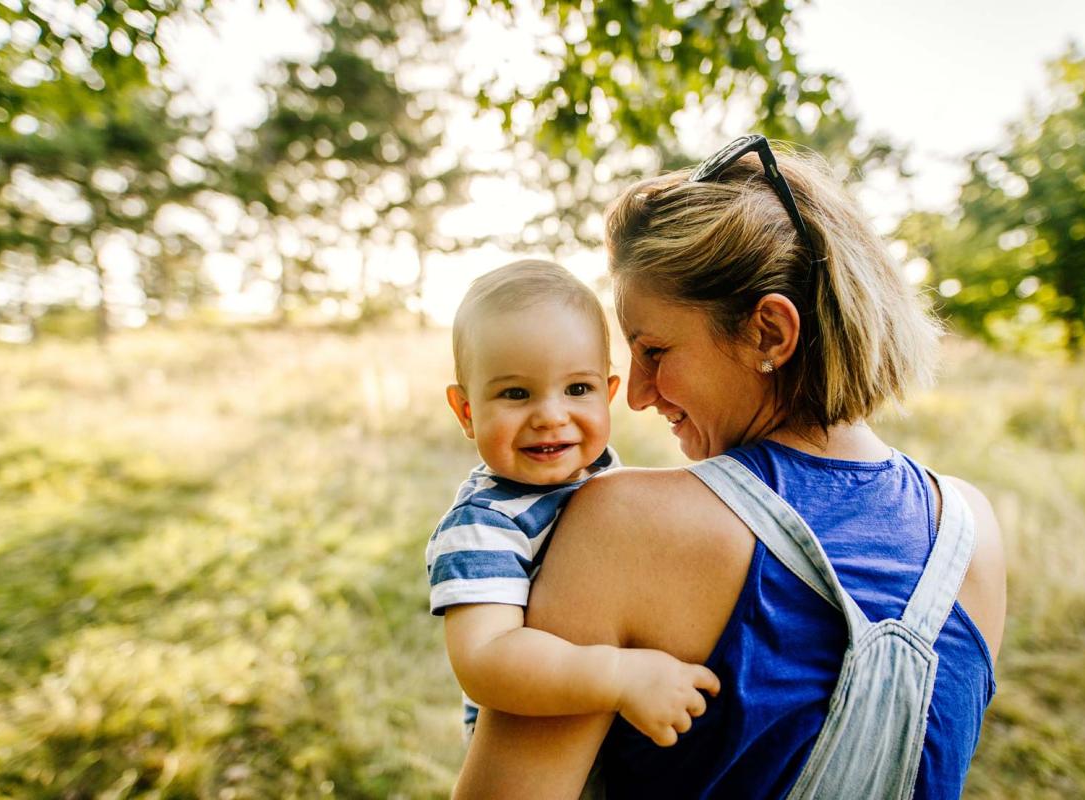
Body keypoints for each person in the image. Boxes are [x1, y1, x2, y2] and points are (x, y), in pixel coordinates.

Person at [453, 138, 1006, 799]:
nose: (637, 393)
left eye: (654, 350)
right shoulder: (972, 530)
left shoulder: (623, 524)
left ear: (769, 332)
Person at [426, 259, 721, 750]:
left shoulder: (608, 475)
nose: (550, 416)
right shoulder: (485, 524)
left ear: (607, 394)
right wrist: (620, 676)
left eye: (577, 389)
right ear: (467, 412)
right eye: (516, 393)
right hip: (543, 741)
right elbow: (486, 659)